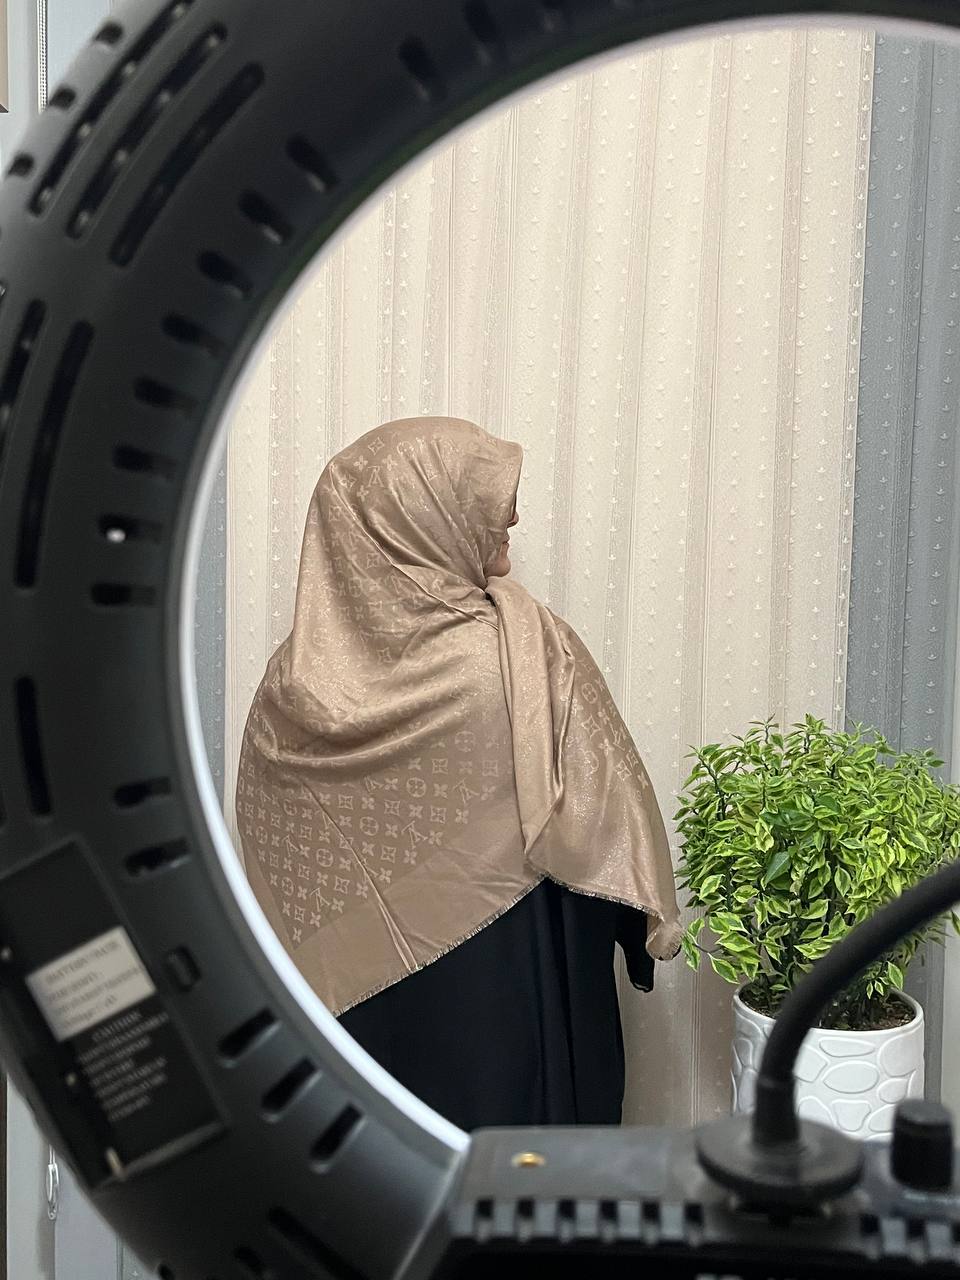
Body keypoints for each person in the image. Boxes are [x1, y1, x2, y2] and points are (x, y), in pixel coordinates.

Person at [236, 416, 681, 1129]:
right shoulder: (521, 659)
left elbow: (273, 878)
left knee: (384, 1183)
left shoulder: (288, 692)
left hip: (352, 1052)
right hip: (514, 1020)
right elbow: (601, 823)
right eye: (494, 507)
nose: (511, 534)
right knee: (508, 1186)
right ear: (423, 515)